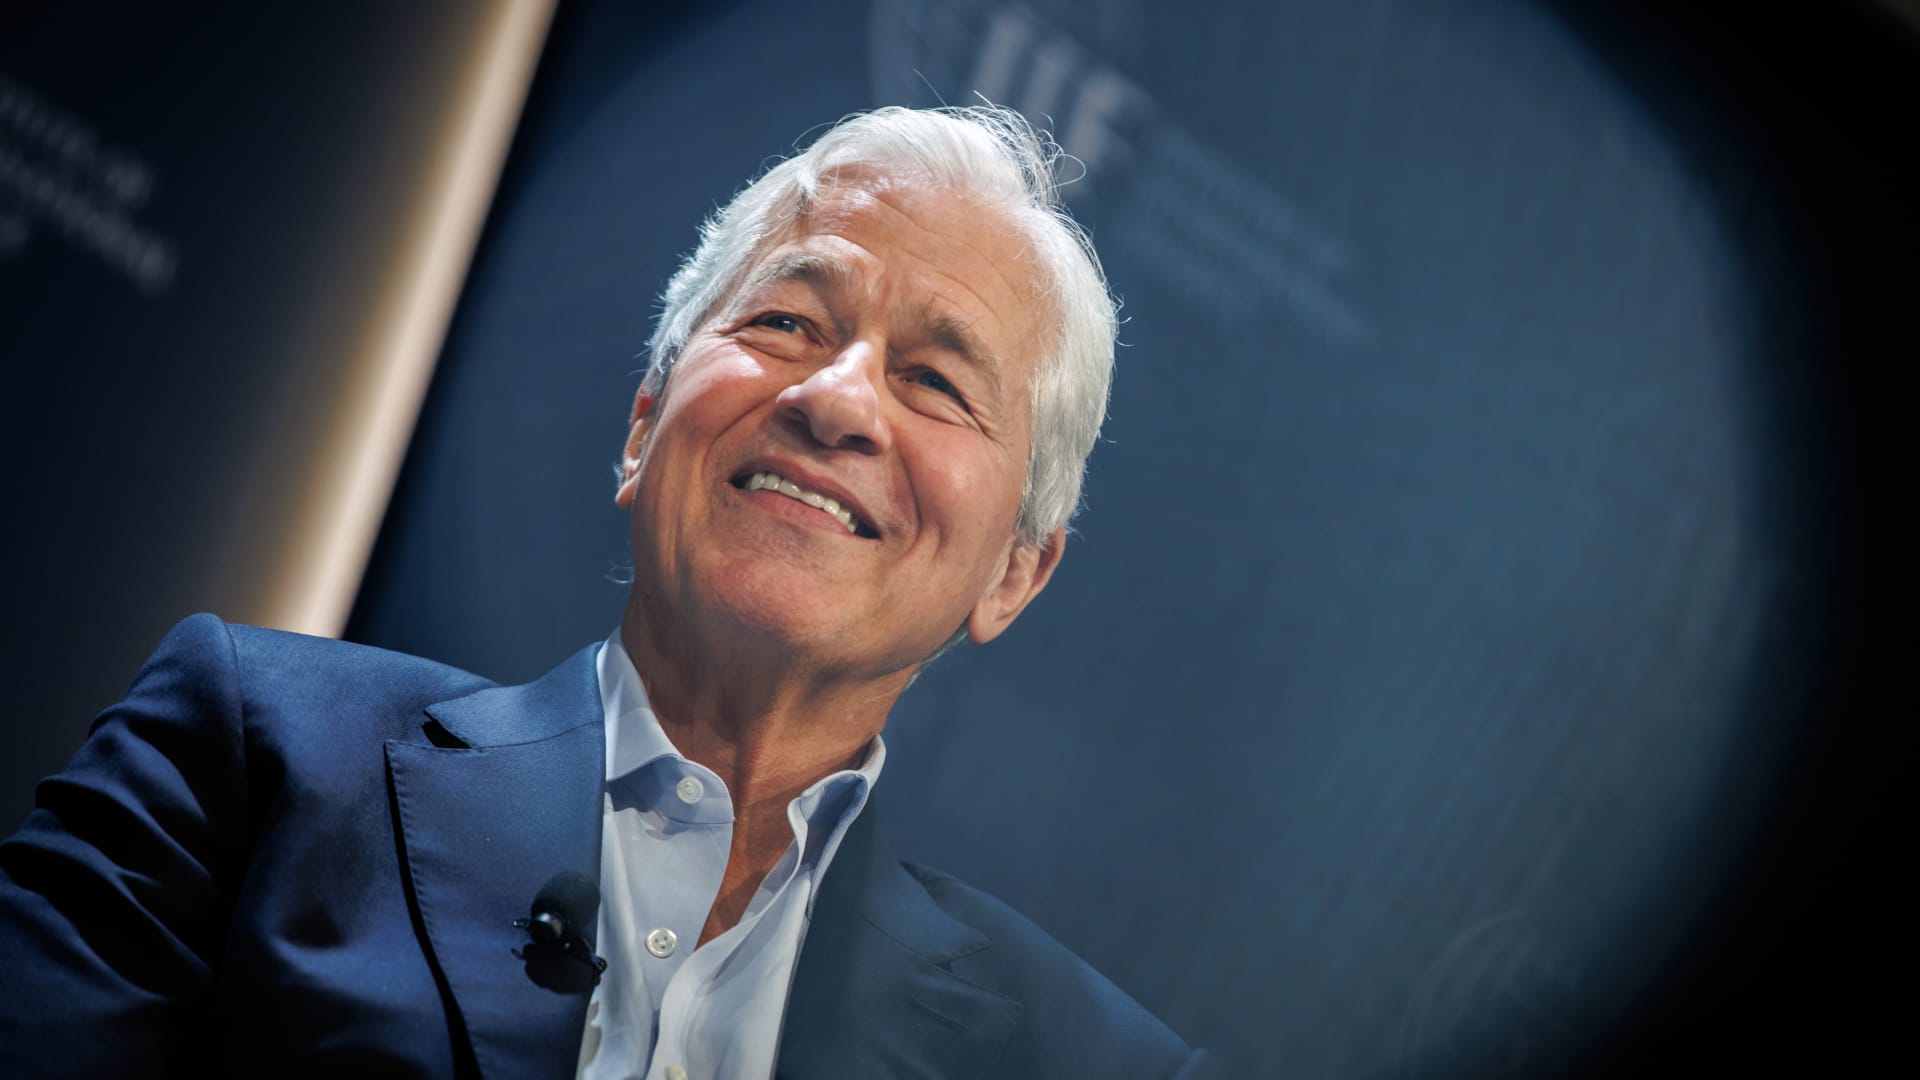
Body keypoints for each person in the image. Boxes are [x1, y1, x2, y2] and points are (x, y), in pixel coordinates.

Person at [0, 106, 1206, 1079]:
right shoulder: (248, 753)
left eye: (936, 381)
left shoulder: (1097, 1064)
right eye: (787, 320)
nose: (836, 400)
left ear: (1015, 572)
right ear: (643, 430)